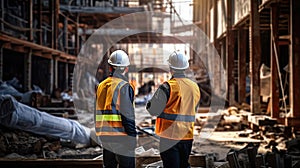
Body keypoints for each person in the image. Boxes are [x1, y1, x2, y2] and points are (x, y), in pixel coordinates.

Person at [146, 51, 200, 168]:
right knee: (183, 165)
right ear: (185, 67)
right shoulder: (194, 87)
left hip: (169, 137)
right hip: (187, 136)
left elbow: (153, 110)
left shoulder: (167, 87)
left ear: (171, 68)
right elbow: (194, 108)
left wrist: (149, 104)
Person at [95, 49, 137, 168]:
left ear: (110, 67)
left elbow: (96, 112)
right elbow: (127, 115)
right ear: (126, 68)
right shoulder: (124, 86)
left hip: (105, 136)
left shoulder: (101, 86)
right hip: (121, 137)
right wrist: (132, 137)